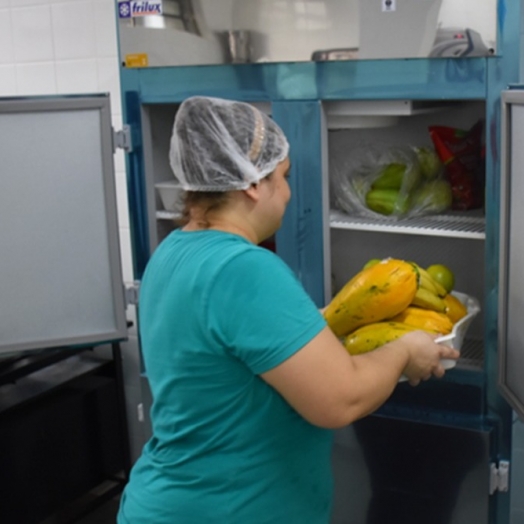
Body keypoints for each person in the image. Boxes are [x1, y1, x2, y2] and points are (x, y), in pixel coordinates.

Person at [116, 96, 459, 524]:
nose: (290, 192)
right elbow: (342, 398)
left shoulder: (172, 253)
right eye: (284, 176)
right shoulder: (244, 268)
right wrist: (406, 352)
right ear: (252, 184)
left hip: (171, 500)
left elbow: (229, 356)